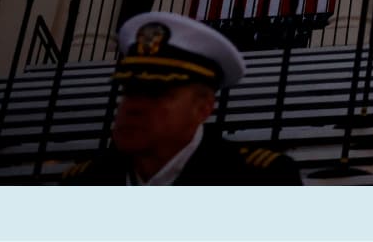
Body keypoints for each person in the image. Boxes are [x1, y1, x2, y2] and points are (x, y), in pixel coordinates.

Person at [61, 11, 301, 185]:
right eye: (130, 90)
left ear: (203, 108)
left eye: (157, 93)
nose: (134, 107)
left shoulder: (259, 180)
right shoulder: (83, 182)